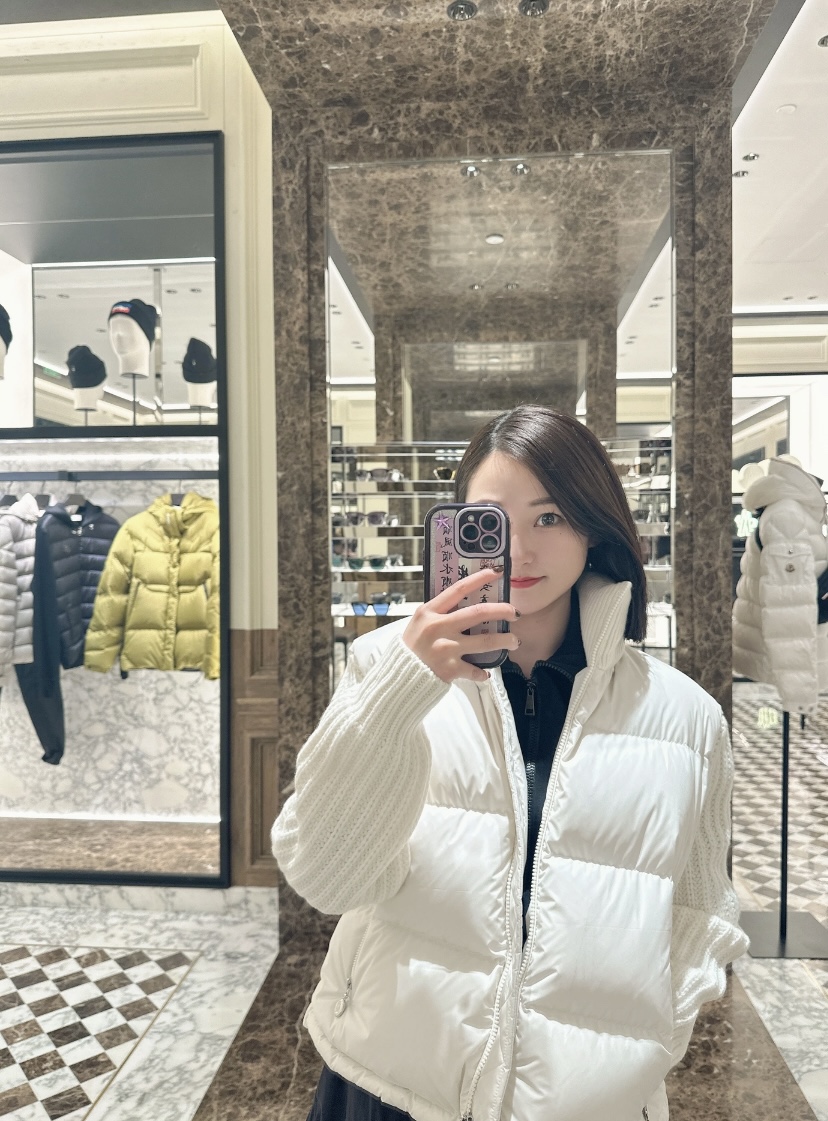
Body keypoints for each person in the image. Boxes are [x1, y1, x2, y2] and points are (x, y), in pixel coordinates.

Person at [272, 404, 747, 1121]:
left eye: (550, 516)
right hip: (390, 1082)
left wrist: (641, 1048)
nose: (518, 551)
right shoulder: (385, 668)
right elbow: (326, 878)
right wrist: (403, 692)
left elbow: (699, 911)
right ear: (455, 529)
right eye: (490, 522)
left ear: (594, 526)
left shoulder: (686, 717)